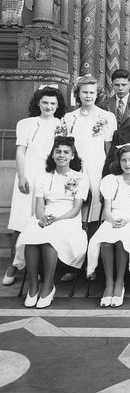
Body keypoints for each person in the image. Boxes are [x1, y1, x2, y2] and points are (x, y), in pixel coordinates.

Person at [13, 136, 89, 308]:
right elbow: (39, 206)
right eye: (58, 152)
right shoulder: (43, 176)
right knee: (31, 235)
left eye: (66, 152)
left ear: (72, 156)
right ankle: (33, 287)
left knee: (50, 238)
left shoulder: (80, 178)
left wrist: (57, 219)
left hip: (68, 217)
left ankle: (48, 286)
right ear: (53, 155)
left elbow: (76, 208)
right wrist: (41, 218)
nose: (62, 155)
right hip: (46, 215)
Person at [4, 87, 66, 287]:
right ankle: (13, 266)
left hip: (48, 177)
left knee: (41, 220)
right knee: (21, 222)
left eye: (53, 103)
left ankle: (36, 268)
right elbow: (20, 151)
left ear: (58, 106)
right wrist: (21, 175)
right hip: (29, 175)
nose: (49, 106)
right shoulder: (26, 123)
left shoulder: (61, 125)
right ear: (38, 103)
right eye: (45, 102)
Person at [87, 145, 130, 307]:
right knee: (105, 241)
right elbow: (107, 208)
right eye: (123, 160)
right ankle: (109, 284)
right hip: (112, 218)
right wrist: (111, 219)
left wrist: (127, 221)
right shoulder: (110, 180)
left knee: (121, 241)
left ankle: (119, 283)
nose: (127, 164)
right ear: (118, 161)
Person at [64, 76, 117, 224]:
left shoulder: (106, 117)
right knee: (74, 198)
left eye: (92, 93)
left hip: (97, 164)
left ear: (97, 94)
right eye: (84, 92)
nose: (88, 96)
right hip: (75, 166)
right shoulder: (69, 118)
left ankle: (92, 236)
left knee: (95, 200)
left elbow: (108, 148)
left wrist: (108, 171)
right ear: (78, 94)